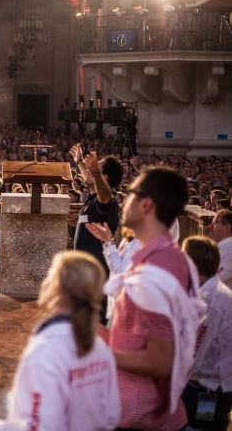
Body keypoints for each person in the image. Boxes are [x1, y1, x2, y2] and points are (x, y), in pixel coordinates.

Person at [0, 251, 120, 431]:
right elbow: (111, 416)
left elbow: (41, 428)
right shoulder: (100, 348)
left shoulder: (45, 353)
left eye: (49, 276)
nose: (44, 282)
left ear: (57, 288)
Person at [102, 167, 206, 430]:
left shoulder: (156, 271)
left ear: (147, 204)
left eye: (130, 194)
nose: (123, 202)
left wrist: (100, 351)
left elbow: (159, 360)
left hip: (142, 417)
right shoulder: (168, 257)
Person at [181, 236, 232, 431]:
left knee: (199, 427)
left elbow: (194, 352)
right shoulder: (211, 292)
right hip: (209, 386)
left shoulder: (209, 302)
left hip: (207, 390)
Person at [70, 144, 122, 320]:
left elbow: (105, 194)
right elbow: (90, 179)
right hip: (86, 275)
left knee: (96, 324)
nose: (89, 171)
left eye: (95, 169)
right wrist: (79, 161)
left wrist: (97, 175)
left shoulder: (108, 201)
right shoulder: (92, 200)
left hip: (97, 276)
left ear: (103, 176)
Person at [209, 209, 232, 289]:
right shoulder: (223, 246)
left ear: (227, 227)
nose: (210, 226)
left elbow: (217, 279)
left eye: (215, 222)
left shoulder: (229, 247)